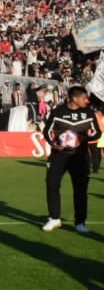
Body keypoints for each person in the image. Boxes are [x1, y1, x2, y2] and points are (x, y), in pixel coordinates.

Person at [41, 85, 98, 233]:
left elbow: (97, 133)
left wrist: (81, 139)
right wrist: (54, 144)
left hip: (80, 156)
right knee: (52, 184)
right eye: (84, 97)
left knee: (80, 189)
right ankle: (54, 218)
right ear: (74, 98)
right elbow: (47, 130)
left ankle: (80, 222)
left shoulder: (89, 113)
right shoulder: (58, 111)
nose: (87, 100)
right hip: (59, 155)